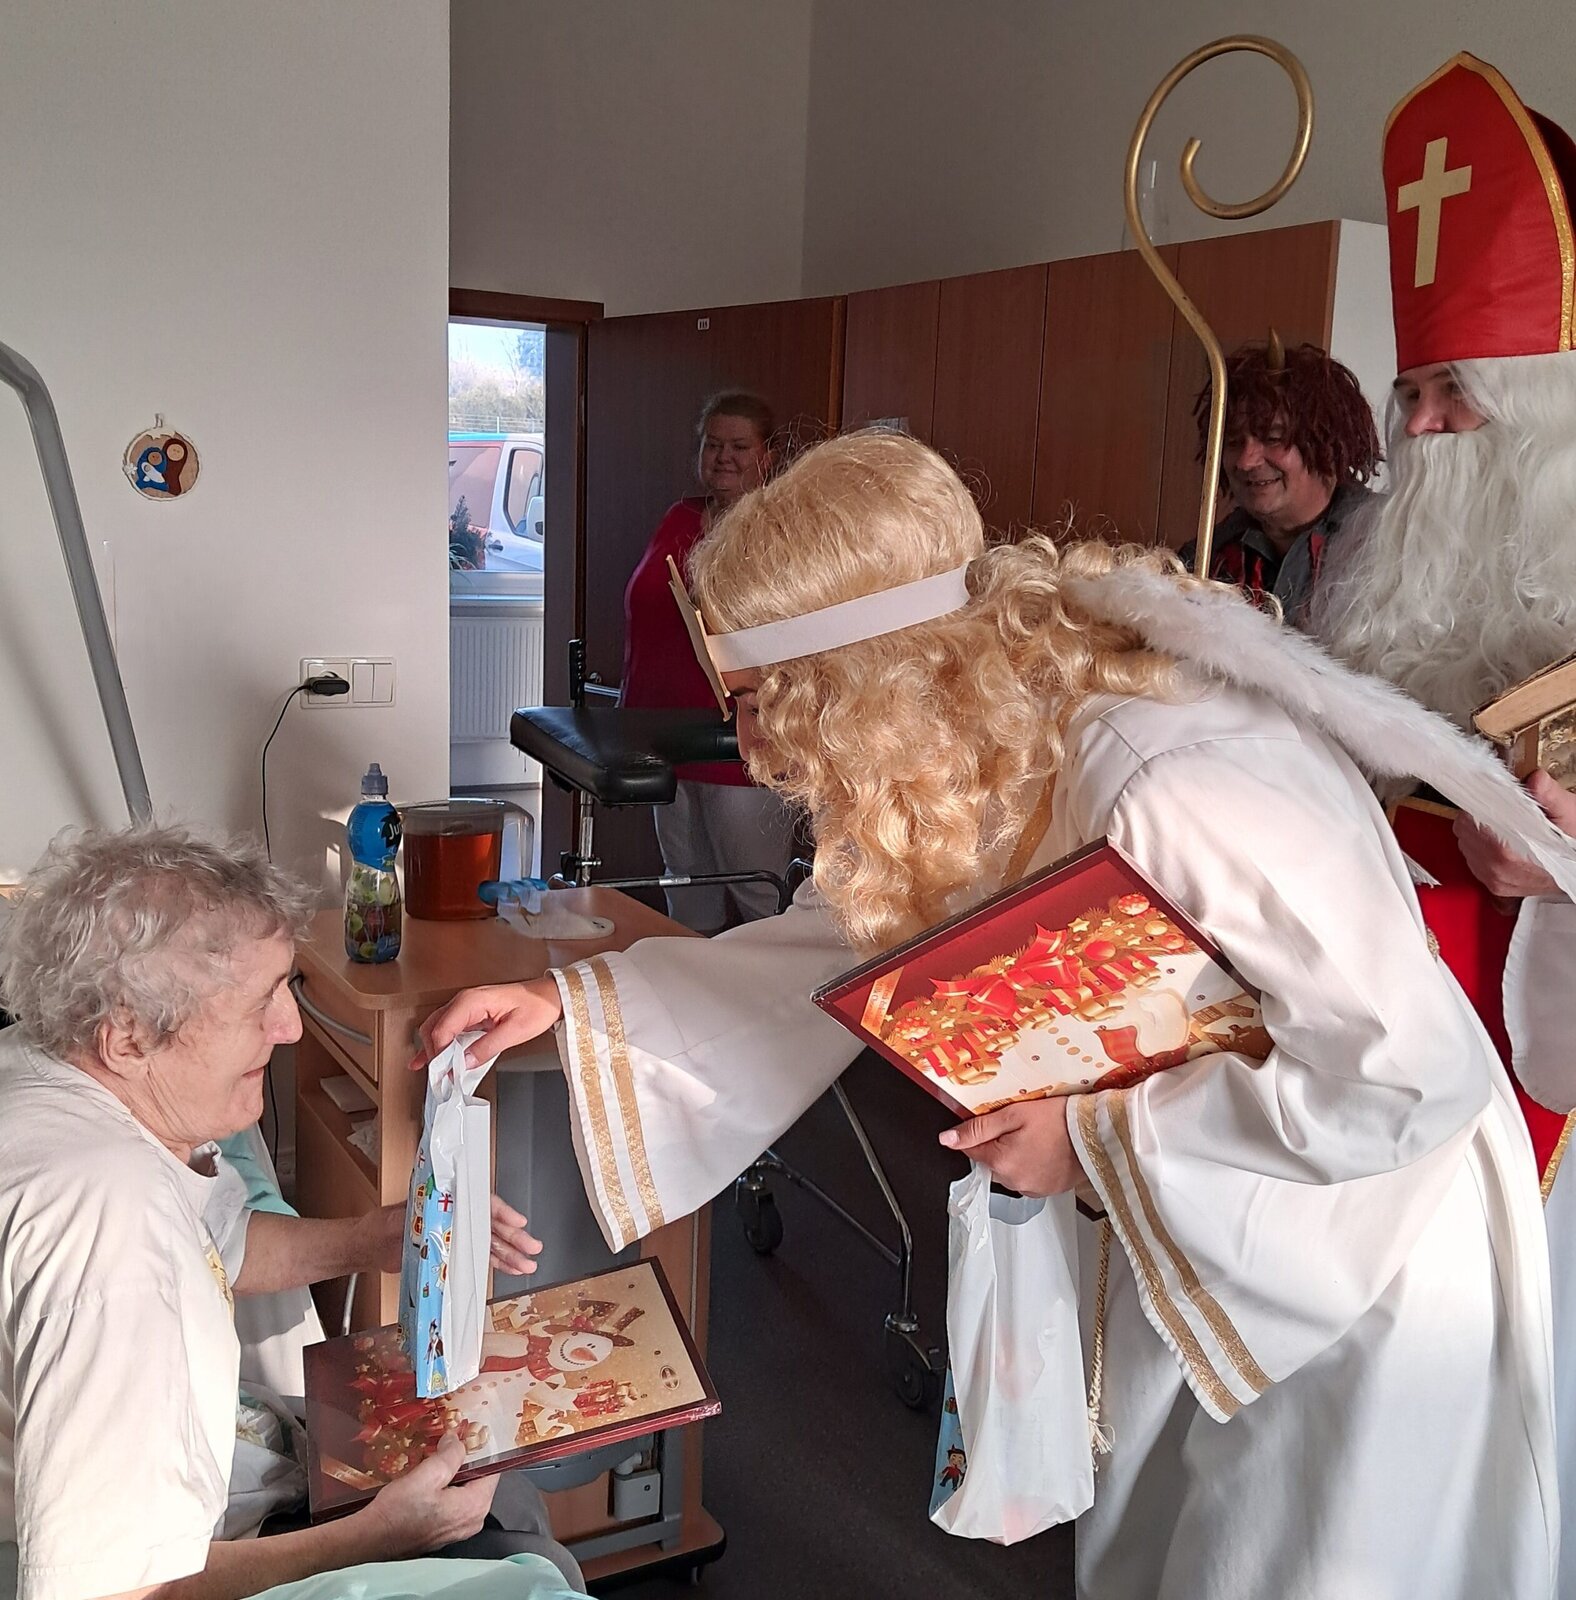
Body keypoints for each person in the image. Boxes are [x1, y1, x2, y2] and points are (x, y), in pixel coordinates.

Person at [418, 428, 1576, 1599]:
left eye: (762, 701)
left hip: (1359, 1236)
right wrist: (571, 1001)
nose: (751, 748)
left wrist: (1089, 1138)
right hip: (1197, 1206)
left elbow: (1407, 1073)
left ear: (862, 677)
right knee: (1162, 1552)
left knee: (1296, 1563)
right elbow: (847, 940)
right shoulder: (995, 733)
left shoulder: (1167, 777)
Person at [0, 825, 583, 1600]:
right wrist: (375, 1538)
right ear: (129, 1037)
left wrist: (372, 1238)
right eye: (259, 1004)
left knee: (508, 1504)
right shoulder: (112, 1234)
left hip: (175, 1497)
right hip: (139, 1568)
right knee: (525, 1547)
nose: (291, 1028)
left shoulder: (46, 1062)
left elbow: (221, 1243)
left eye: (287, 986)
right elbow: (110, 1592)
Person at [1312, 49, 1576, 1597]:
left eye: (1450, 392)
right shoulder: (1399, 592)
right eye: (1411, 393)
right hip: (1380, 1085)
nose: (1418, 429)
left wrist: (1561, 873)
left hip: (1542, 1109)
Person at [619, 390, 798, 933]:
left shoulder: (780, 531)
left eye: (739, 446)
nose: (723, 457)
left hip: (739, 743)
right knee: (684, 886)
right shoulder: (680, 516)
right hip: (666, 737)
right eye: (713, 444)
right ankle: (690, 982)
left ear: (766, 456)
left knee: (757, 894)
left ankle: (769, 987)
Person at [1180, 339, 1380, 618]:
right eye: (1234, 441)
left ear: (1328, 442)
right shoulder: (1205, 558)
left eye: (1273, 438)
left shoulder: (1390, 544)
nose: (1246, 461)